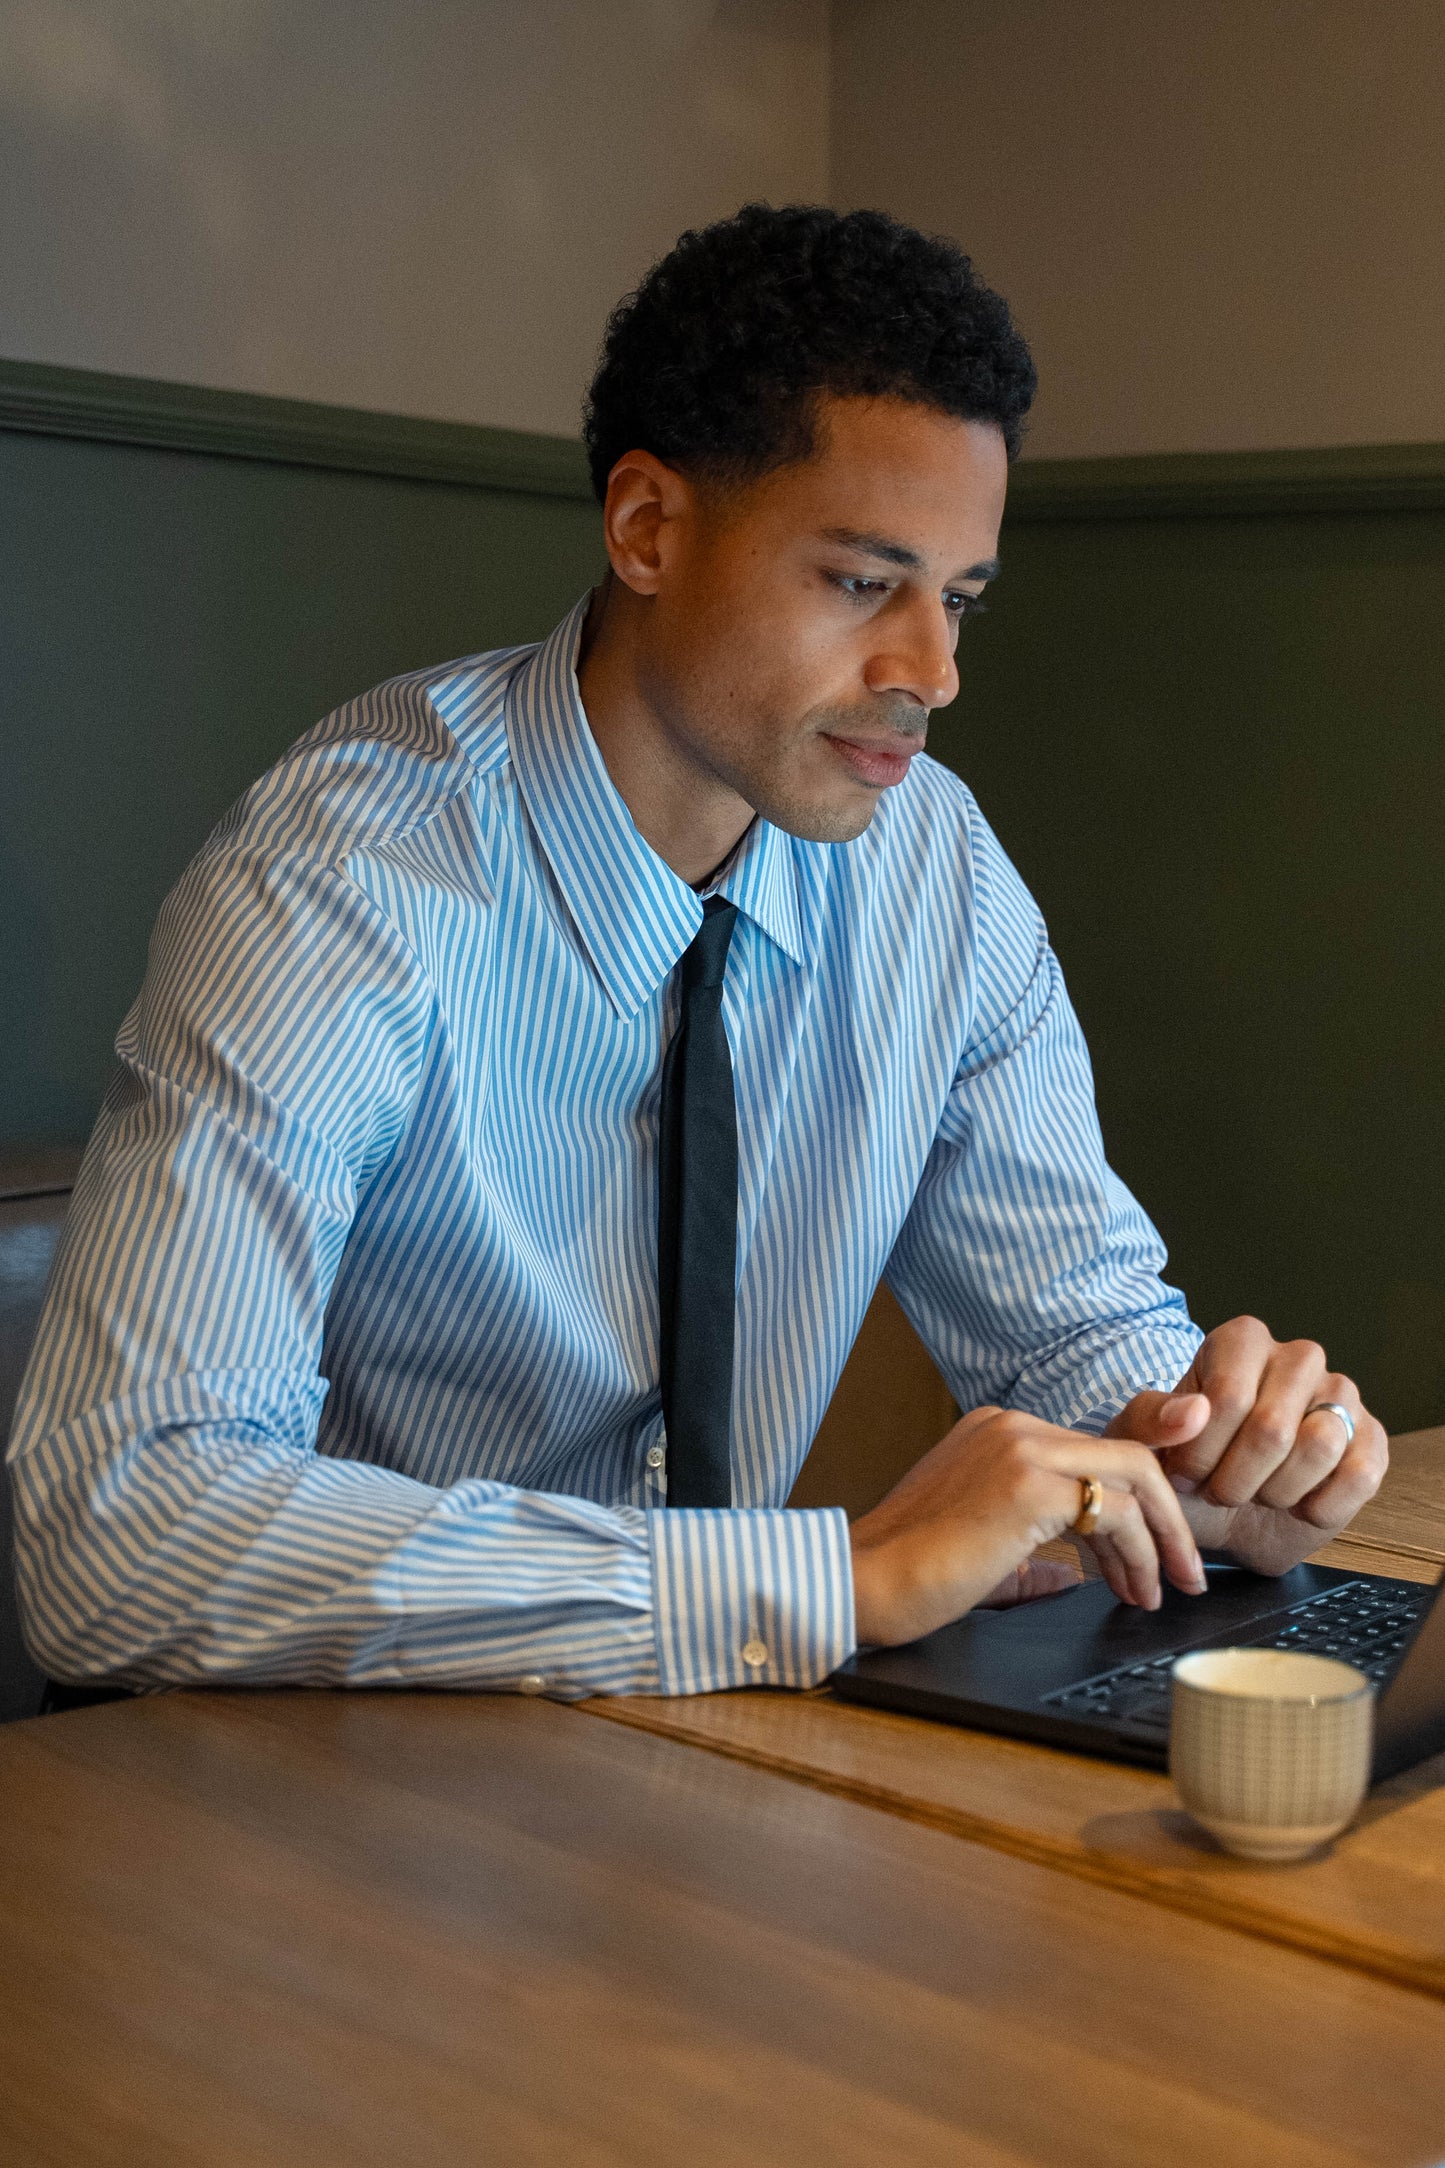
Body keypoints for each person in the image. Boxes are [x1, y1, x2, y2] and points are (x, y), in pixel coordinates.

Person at [10, 205, 1386, 1700]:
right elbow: (116, 1535)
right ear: (648, 529)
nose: (933, 673)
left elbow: (1069, 1326)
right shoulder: (341, 883)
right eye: (860, 583)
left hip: (699, 1741)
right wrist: (832, 1581)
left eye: (958, 599)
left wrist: (1219, 1450)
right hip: (303, 1770)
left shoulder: (933, 867)